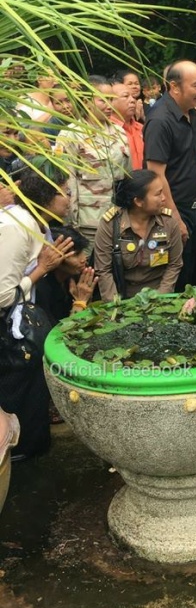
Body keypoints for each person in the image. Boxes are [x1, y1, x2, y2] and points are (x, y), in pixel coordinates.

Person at [0, 163, 75, 460]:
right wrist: (43, 268)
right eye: (65, 192)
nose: (69, 199)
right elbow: (2, 296)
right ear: (47, 194)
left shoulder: (35, 222)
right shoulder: (16, 228)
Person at [143, 60, 196, 289]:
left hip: (194, 208)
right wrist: (175, 218)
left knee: (191, 273)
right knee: (171, 278)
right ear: (174, 87)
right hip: (170, 211)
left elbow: (195, 156)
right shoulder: (160, 120)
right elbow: (156, 174)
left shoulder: (193, 116)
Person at [55, 74, 131, 248]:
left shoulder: (119, 133)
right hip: (87, 223)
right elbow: (67, 183)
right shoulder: (70, 135)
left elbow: (128, 177)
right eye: (102, 100)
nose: (109, 105)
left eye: (111, 100)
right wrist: (71, 225)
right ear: (86, 101)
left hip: (118, 220)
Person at [94, 170, 183, 300]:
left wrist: (161, 298)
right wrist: (114, 306)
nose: (164, 198)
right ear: (139, 202)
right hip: (122, 296)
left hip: (158, 295)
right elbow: (103, 270)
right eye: (158, 194)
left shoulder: (168, 223)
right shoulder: (111, 225)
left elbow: (175, 265)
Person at [36, 226, 97, 326]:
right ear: (56, 257)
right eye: (76, 255)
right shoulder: (42, 289)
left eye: (82, 252)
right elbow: (56, 333)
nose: (83, 259)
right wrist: (80, 303)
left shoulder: (76, 278)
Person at [110, 79, 144, 170]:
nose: (132, 100)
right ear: (110, 102)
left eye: (133, 97)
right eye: (126, 96)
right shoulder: (107, 131)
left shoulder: (143, 129)